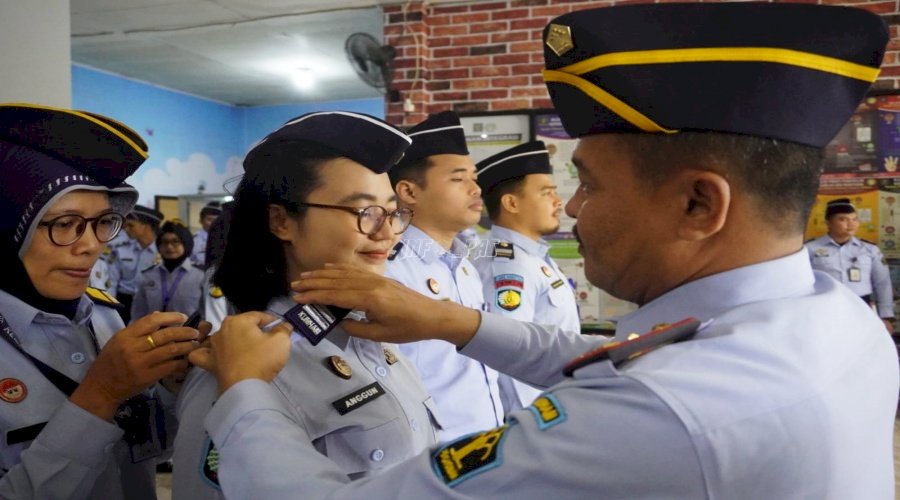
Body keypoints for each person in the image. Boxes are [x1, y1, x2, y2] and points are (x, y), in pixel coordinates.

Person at [191, 3, 898, 498]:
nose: (575, 210)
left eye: (588, 183)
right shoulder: (835, 317)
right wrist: (454, 323)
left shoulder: (660, 415)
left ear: (698, 204)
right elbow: (625, 363)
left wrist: (247, 391)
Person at [171, 111, 441, 498]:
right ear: (281, 221)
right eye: (364, 212)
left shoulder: (372, 339)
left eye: (392, 212)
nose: (388, 234)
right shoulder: (235, 368)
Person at [0, 103, 202, 499]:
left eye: (103, 223)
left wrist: (175, 388)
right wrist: (100, 395)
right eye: (64, 224)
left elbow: (142, 447)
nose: (91, 246)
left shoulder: (102, 316)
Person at [382, 110, 503, 442]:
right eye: (458, 178)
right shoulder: (389, 269)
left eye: (474, 177)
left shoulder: (464, 266)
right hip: (432, 464)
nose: (476, 189)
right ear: (409, 192)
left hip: (487, 450)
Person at [470, 140, 579, 411]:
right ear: (511, 203)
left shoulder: (532, 256)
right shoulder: (508, 265)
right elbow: (508, 353)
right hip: (540, 414)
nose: (558, 201)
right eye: (546, 193)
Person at [806, 198, 895, 332]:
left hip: (861, 305)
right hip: (824, 306)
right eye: (843, 219)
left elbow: (882, 283)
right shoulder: (810, 249)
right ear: (828, 223)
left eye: (854, 219)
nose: (851, 224)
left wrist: (885, 316)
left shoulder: (869, 249)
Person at [130, 220, 205, 321]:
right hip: (154, 335)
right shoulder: (148, 276)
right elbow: (137, 314)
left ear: (185, 244)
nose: (169, 247)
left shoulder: (201, 276)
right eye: (165, 242)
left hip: (190, 334)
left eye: (175, 242)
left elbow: (206, 315)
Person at [112, 205, 162, 323]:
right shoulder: (122, 249)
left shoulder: (163, 251)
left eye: (131, 225)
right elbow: (112, 281)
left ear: (145, 226)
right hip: (123, 301)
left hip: (152, 302)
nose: (126, 229)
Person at [190, 201, 221, 269]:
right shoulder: (193, 240)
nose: (213, 223)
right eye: (209, 219)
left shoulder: (224, 238)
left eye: (216, 220)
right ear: (201, 220)